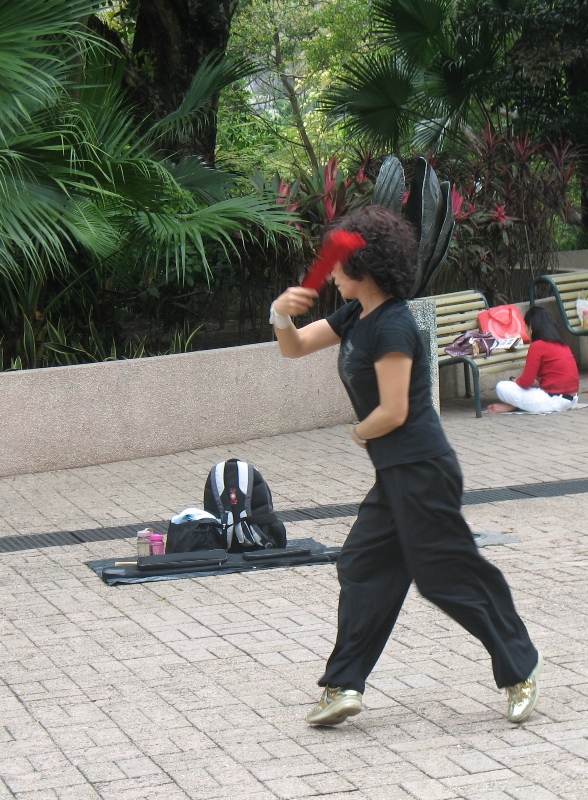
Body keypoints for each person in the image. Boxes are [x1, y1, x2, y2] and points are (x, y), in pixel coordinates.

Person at [269, 205, 542, 727]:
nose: (330, 274)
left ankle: (520, 666)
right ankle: (343, 686)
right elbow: (296, 346)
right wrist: (281, 313)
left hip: (422, 468)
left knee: (446, 578)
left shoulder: (393, 326)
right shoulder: (356, 315)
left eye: (337, 264)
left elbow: (392, 413)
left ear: (362, 268)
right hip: (397, 472)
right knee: (361, 566)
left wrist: (357, 431)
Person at [488, 306, 579, 414]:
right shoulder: (562, 344)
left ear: (531, 328)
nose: (525, 330)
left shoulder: (537, 345)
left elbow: (525, 382)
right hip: (572, 399)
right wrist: (537, 382)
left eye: (525, 326)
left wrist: (515, 381)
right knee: (530, 388)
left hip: (554, 401)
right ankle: (513, 405)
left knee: (501, 387)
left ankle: (513, 406)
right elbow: (556, 376)